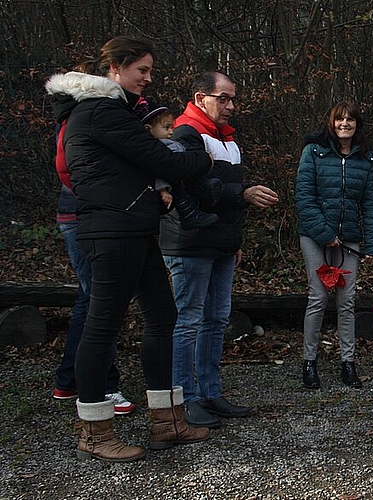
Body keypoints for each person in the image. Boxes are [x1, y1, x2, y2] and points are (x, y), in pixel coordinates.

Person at [45, 36, 212, 462]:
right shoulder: (100, 111)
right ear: (116, 68)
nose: (148, 79)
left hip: (133, 228)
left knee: (162, 315)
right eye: (142, 70)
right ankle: (95, 431)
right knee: (103, 325)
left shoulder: (109, 112)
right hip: (111, 230)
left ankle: (167, 421)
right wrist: (205, 159)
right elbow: (164, 160)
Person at [161, 71, 279, 428]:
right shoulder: (184, 134)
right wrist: (241, 195)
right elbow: (194, 191)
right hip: (190, 243)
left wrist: (234, 240)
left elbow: (226, 193)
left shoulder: (226, 140)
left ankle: (210, 393)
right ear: (200, 98)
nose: (230, 106)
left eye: (233, 99)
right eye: (223, 98)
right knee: (189, 322)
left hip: (221, 245)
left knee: (216, 321)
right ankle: (185, 398)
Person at [294, 101, 373, 390]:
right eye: (340, 119)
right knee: (318, 298)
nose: (345, 124)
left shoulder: (365, 160)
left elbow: (369, 205)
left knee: (347, 302)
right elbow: (304, 198)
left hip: (349, 239)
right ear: (332, 123)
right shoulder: (313, 153)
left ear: (357, 124)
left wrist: (372, 246)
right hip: (314, 237)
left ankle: (348, 363)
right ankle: (309, 362)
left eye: (350, 120)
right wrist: (324, 233)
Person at [52, 183, 134, 416]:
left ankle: (69, 379)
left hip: (83, 215)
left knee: (89, 299)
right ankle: (103, 387)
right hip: (89, 218)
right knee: (102, 303)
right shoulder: (78, 145)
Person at [134, 97, 220, 230]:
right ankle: (190, 214)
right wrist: (163, 189)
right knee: (181, 198)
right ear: (148, 129)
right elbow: (157, 170)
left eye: (171, 127)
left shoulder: (166, 144)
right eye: (166, 127)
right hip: (171, 184)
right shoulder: (156, 148)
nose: (171, 131)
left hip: (179, 180)